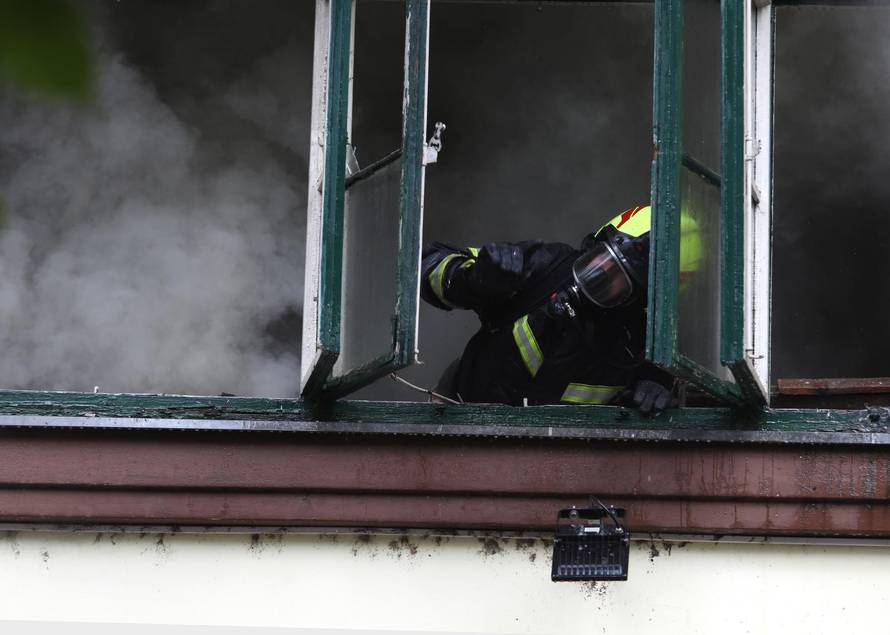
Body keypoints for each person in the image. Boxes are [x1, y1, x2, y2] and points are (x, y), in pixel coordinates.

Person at [419, 205, 691, 415]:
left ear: (637, 300)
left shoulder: (635, 348)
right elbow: (428, 265)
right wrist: (475, 278)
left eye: (617, 279)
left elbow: (661, 391)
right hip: (457, 424)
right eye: (600, 259)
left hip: (548, 469)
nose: (598, 275)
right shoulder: (546, 267)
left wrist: (657, 387)